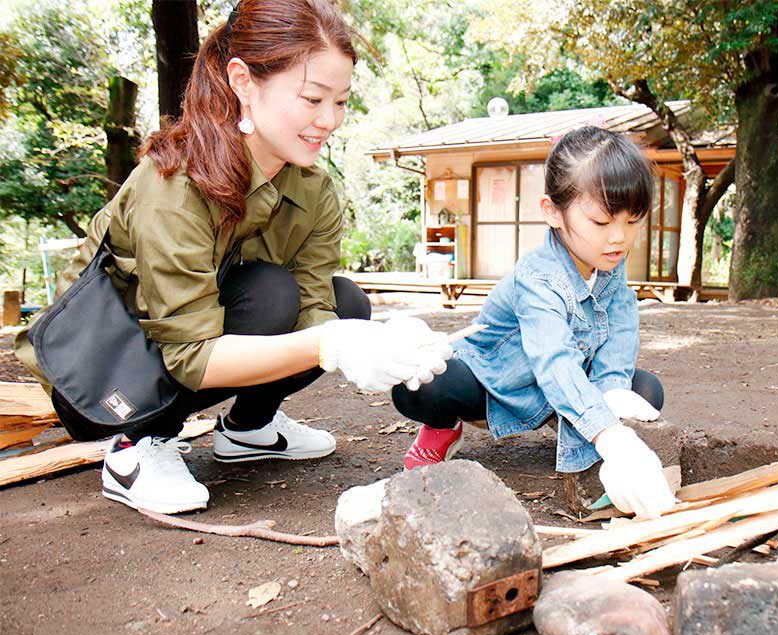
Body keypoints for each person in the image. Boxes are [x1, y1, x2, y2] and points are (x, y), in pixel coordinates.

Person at [14, 0, 451, 515]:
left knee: (346, 303)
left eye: (340, 101)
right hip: (98, 372)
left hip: (189, 344)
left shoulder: (313, 190)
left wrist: (371, 344)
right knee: (272, 295)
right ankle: (139, 444)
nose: (329, 120)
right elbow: (191, 353)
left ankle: (248, 429)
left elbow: (315, 307)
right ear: (243, 81)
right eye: (312, 98)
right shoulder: (174, 183)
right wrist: (331, 345)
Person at [392, 126, 676, 520]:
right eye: (601, 222)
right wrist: (611, 436)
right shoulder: (538, 277)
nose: (619, 238)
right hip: (497, 381)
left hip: (562, 380)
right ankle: (443, 426)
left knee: (644, 390)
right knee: (422, 385)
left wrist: (612, 390)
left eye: (633, 221)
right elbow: (553, 360)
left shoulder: (610, 261)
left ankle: (575, 418)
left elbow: (621, 329)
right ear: (552, 211)